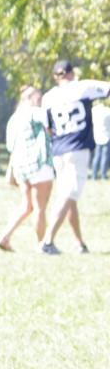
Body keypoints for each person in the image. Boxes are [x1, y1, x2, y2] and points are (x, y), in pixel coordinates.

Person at [39, 61, 110, 254]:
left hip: (59, 149)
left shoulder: (48, 97)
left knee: (69, 196)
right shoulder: (83, 87)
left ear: (56, 77)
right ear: (71, 73)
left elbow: (48, 128)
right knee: (69, 194)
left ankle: (79, 243)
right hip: (77, 147)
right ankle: (47, 241)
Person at [0, 86, 54, 252]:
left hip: (20, 167)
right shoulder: (34, 112)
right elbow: (47, 119)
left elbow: (9, 145)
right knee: (39, 207)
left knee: (26, 205)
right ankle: (43, 245)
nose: (40, 101)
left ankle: (5, 237)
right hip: (38, 164)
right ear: (29, 99)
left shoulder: (14, 119)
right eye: (38, 98)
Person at [91, 98, 110, 181]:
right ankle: (103, 175)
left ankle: (94, 174)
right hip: (106, 136)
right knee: (104, 157)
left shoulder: (93, 111)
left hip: (97, 137)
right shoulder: (107, 111)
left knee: (97, 156)